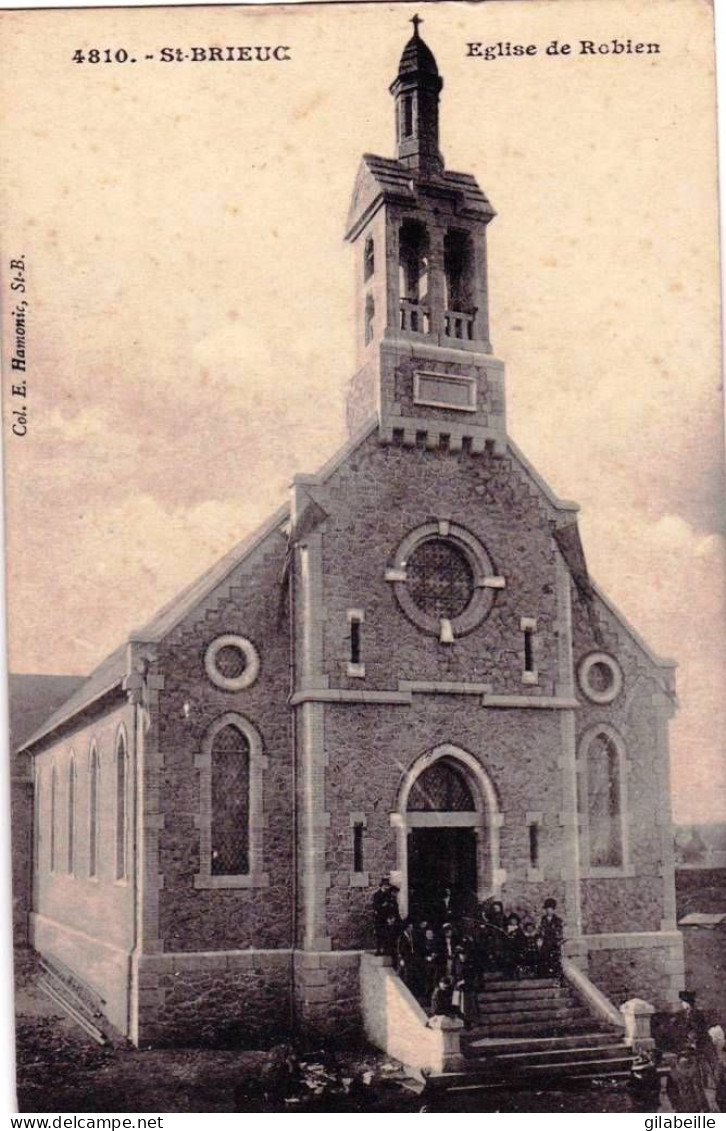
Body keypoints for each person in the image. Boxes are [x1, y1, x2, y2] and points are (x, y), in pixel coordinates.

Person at [452, 944, 481, 1029]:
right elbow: (453, 974)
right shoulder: (456, 963)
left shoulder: (470, 964)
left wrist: (466, 981)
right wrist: (456, 982)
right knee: (457, 1005)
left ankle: (468, 1023)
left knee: (467, 1007)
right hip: (458, 988)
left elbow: (473, 976)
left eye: (464, 955)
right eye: (461, 955)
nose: (463, 956)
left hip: (468, 988)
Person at [371, 877, 399, 956]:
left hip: (387, 918)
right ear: (381, 886)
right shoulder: (377, 895)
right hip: (379, 918)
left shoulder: (389, 895)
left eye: (387, 886)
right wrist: (382, 906)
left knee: (387, 934)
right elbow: (375, 906)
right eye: (384, 886)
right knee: (379, 935)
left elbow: (393, 907)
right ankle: (379, 950)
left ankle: (387, 950)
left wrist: (391, 917)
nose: (386, 887)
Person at [539, 898, 564, 978]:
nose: (548, 911)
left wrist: (558, 940)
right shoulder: (543, 919)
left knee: (554, 957)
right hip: (546, 941)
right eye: (547, 909)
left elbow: (559, 932)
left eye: (550, 909)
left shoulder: (558, 920)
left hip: (554, 941)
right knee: (543, 955)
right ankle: (544, 972)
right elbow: (541, 930)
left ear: (553, 910)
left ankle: (555, 972)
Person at [502, 912, 524, 979]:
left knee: (516, 960)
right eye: (512, 920)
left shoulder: (519, 930)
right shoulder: (505, 929)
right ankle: (507, 975)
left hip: (516, 949)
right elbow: (503, 939)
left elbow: (522, 940)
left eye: (515, 920)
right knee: (507, 960)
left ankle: (517, 974)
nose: (513, 921)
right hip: (507, 949)